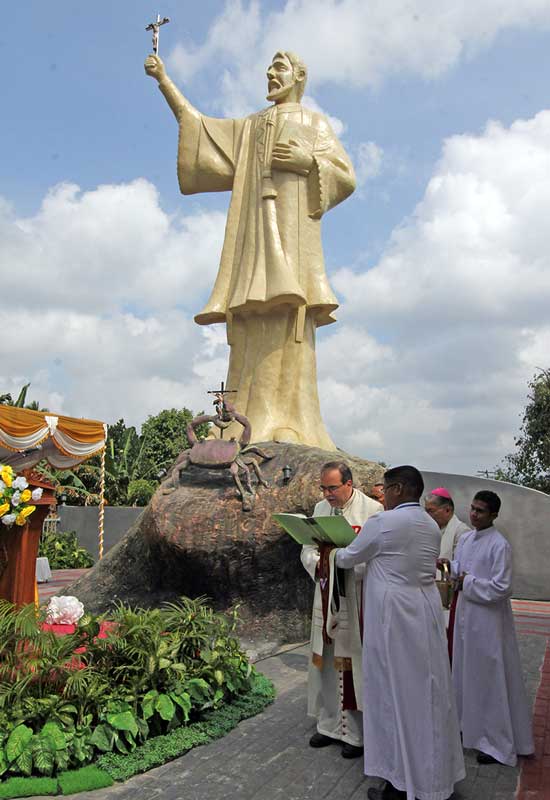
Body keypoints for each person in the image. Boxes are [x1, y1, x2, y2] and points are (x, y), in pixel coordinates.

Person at [144, 50, 356, 449]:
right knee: (252, 320)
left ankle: (292, 419)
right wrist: (164, 83)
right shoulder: (252, 126)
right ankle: (241, 420)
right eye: (269, 68)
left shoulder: (314, 123)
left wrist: (307, 161)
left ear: (299, 77)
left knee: (290, 316)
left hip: (295, 241)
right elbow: (200, 129)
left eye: (279, 68)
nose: (270, 74)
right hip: (255, 242)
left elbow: (344, 175)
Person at [334, 465, 465, 800]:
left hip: (392, 621)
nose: (384, 494)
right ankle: (433, 777)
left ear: (399, 489)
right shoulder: (430, 524)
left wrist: (330, 549)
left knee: (393, 697)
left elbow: (349, 558)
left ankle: (399, 782)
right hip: (424, 614)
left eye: (387, 488)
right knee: (428, 695)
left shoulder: (383, 522)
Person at [445, 490, 534, 766]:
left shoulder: (500, 545)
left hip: (488, 623)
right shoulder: (467, 538)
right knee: (466, 674)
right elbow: (459, 568)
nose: (473, 514)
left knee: (489, 680)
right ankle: (467, 729)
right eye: (472, 508)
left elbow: (502, 587)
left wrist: (467, 582)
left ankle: (495, 742)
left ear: (494, 515)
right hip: (465, 617)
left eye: (480, 511)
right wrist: (449, 569)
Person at [301, 461, 382, 758]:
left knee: (354, 665)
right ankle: (327, 725)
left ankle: (356, 735)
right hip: (325, 595)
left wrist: (338, 562)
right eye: (323, 487)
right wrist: (324, 565)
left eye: (332, 487)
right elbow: (306, 550)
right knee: (326, 659)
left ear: (349, 483)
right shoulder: (321, 510)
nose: (327, 494)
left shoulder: (373, 511)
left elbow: (374, 557)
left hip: (356, 598)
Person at [424, 487, 469, 563]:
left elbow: (460, 566)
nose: (427, 515)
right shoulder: (429, 529)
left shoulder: (462, 531)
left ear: (447, 510)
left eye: (430, 511)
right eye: (426, 511)